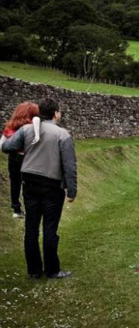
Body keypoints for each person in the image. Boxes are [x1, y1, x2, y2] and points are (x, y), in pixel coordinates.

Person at [1, 98, 77, 279]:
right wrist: (71, 190)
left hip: (30, 184)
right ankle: (52, 269)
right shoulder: (63, 135)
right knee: (50, 228)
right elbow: (70, 166)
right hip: (51, 185)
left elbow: (7, 146)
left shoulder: (26, 130)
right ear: (55, 113)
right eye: (59, 111)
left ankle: (34, 270)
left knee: (31, 228)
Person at [1, 102, 41, 218]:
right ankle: (30, 209)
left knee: (15, 182)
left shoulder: (10, 126)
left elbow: (1, 145)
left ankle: (16, 209)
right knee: (29, 183)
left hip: (13, 158)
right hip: (28, 157)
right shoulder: (32, 128)